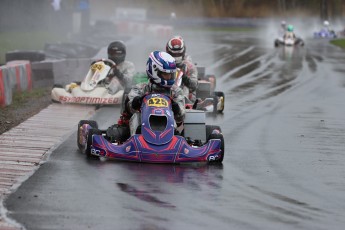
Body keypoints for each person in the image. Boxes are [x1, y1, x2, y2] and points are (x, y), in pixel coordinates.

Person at [107, 51, 185, 141]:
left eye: (171, 74)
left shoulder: (176, 91)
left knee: (172, 117)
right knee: (136, 115)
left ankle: (171, 141)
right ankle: (135, 140)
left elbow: (181, 117)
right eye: (166, 74)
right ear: (154, 71)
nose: (169, 77)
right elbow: (129, 108)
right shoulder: (140, 88)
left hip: (168, 128)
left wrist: (176, 108)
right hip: (142, 126)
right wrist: (137, 102)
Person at [166, 36, 198, 103]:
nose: (176, 56)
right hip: (166, 90)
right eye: (173, 53)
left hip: (186, 96)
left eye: (178, 53)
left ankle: (183, 103)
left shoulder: (190, 66)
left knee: (186, 88)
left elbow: (194, 86)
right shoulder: (163, 64)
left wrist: (184, 78)